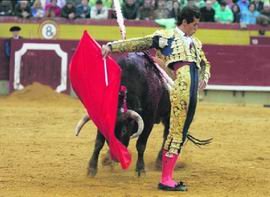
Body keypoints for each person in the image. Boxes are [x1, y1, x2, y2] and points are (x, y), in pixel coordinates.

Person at [101, 6, 211, 191]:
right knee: (176, 134)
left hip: (193, 92)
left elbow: (204, 63)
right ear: (184, 22)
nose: (196, 27)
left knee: (181, 135)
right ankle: (166, 179)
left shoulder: (196, 43)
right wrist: (112, 46)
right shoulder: (166, 36)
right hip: (180, 88)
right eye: (194, 24)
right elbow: (140, 43)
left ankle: (167, 176)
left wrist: (205, 77)